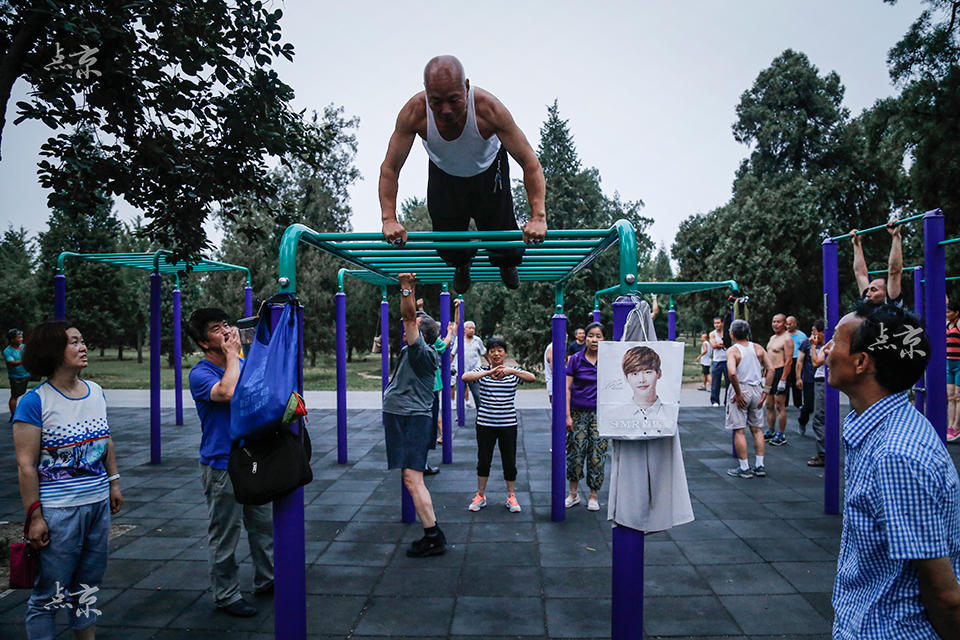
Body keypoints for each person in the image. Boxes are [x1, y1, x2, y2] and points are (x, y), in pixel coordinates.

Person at [826, 301, 960, 638]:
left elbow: (944, 594)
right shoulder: (876, 427)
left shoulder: (895, 456)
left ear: (861, 362)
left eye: (835, 341)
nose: (827, 349)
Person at [379, 55, 547, 292]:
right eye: (436, 101)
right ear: (426, 94)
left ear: (466, 88)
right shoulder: (414, 113)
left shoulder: (489, 109)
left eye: (454, 100)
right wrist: (389, 219)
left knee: (504, 239)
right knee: (447, 245)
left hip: (489, 171)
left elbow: (530, 162)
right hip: (444, 172)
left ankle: (507, 263)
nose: (446, 110)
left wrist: (538, 217)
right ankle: (461, 263)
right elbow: (390, 167)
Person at [13, 321, 123, 639]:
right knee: (49, 594)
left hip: (97, 505)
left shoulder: (96, 392)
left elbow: (106, 440)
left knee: (86, 589)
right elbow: (26, 466)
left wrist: (113, 482)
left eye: (82, 340)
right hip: (59, 512)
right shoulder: (35, 402)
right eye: (73, 342)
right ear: (52, 351)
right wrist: (34, 516)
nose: (83, 346)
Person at [187, 308, 274, 618]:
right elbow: (228, 391)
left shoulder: (240, 363)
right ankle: (226, 594)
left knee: (263, 527)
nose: (225, 330)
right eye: (215, 328)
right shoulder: (201, 374)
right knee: (225, 534)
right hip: (221, 463)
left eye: (225, 324)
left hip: (251, 459)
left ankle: (268, 579)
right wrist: (234, 355)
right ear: (202, 342)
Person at [382, 273, 447, 557]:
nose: (406, 329)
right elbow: (410, 321)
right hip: (405, 417)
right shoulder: (419, 351)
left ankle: (433, 535)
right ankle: (433, 533)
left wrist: (407, 290)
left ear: (420, 332)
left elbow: (409, 320)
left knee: (412, 479)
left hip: (411, 419)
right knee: (411, 478)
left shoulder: (421, 352)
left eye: (414, 327)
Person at [462, 337, 535, 513]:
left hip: (508, 423)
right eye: (492, 351)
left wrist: (510, 370)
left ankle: (511, 495)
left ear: (505, 353)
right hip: (485, 423)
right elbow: (466, 376)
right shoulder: (482, 371)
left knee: (509, 460)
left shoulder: (513, 373)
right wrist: (487, 373)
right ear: (487, 354)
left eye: (499, 350)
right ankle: (480, 495)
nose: (496, 353)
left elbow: (531, 378)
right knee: (483, 460)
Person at [724, 319, 774, 479]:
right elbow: (771, 368)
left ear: (732, 334)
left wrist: (738, 393)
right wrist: (766, 391)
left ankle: (744, 468)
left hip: (742, 387)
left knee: (739, 430)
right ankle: (760, 466)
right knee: (757, 429)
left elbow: (732, 373)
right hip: (756, 389)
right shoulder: (758, 348)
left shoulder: (733, 351)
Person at [565, 322, 606, 512]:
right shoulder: (575, 359)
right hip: (578, 412)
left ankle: (593, 495)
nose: (594, 340)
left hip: (600, 414)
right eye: (591, 335)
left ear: (604, 339)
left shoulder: (609, 360)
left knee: (597, 454)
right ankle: (573, 494)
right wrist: (567, 415)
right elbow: (567, 388)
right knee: (575, 452)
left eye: (598, 336)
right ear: (584, 338)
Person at [850, 218, 903, 306]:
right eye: (869, 290)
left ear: (886, 293)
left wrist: (896, 236)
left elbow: (894, 272)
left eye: (874, 290)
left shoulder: (891, 303)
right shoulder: (868, 301)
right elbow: (860, 274)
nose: (867, 294)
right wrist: (857, 244)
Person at [763, 314, 795, 446]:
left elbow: (788, 362)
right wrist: (764, 376)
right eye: (773, 321)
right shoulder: (772, 338)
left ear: (784, 324)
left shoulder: (787, 339)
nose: (775, 324)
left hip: (781, 372)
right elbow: (768, 358)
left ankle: (781, 435)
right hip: (770, 373)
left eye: (778, 322)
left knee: (779, 405)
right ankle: (771, 430)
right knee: (769, 404)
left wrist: (783, 379)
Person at [805, 320, 827, 467]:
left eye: (814, 332)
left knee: (819, 419)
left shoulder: (826, 346)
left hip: (822, 381)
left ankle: (823, 454)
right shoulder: (824, 346)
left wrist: (813, 346)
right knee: (821, 418)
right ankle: (824, 452)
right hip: (820, 381)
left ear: (822, 333)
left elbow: (816, 363)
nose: (812, 335)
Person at [451, 319, 487, 408]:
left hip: (475, 372)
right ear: (464, 329)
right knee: (460, 395)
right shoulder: (459, 340)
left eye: (473, 328)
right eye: (469, 328)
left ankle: (480, 414)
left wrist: (491, 364)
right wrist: (448, 366)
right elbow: (453, 353)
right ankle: (459, 415)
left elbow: (484, 353)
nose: (472, 330)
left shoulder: (477, 340)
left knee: (477, 394)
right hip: (461, 372)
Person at [795, 320, 818, 435]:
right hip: (809, 378)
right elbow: (799, 362)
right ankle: (802, 421)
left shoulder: (826, 343)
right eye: (813, 331)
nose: (814, 333)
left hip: (822, 379)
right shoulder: (806, 344)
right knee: (809, 406)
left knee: (822, 409)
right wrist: (799, 378)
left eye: (816, 331)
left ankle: (820, 431)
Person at [6, 327, 31, 418]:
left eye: (22, 337)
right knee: (15, 395)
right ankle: (14, 415)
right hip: (16, 377)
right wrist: (24, 361)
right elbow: (11, 362)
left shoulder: (23, 347)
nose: (21, 339)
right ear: (12, 340)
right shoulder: (8, 351)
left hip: (26, 374)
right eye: (19, 338)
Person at [785, 316, 807, 409]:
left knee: (797, 381)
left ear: (795, 324)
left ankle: (798, 403)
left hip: (798, 360)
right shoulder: (783, 335)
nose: (788, 326)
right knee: (785, 382)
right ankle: (784, 403)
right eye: (787, 324)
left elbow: (806, 348)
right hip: (786, 360)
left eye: (790, 324)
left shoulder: (802, 336)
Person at [947, 301, 960, 442]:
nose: (946, 314)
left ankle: (956, 426)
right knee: (950, 397)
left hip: (959, 364)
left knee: (958, 396)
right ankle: (950, 426)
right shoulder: (946, 323)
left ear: (956, 313)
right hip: (948, 364)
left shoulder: (959, 323)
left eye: (949, 312)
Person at [709, 316, 728, 407]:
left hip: (727, 360)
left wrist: (720, 344)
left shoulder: (727, 333)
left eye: (718, 323)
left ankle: (727, 401)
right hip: (717, 361)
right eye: (715, 323)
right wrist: (722, 344)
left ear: (722, 323)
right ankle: (714, 401)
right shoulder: (712, 334)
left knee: (729, 382)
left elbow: (729, 343)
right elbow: (713, 345)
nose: (717, 325)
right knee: (716, 382)